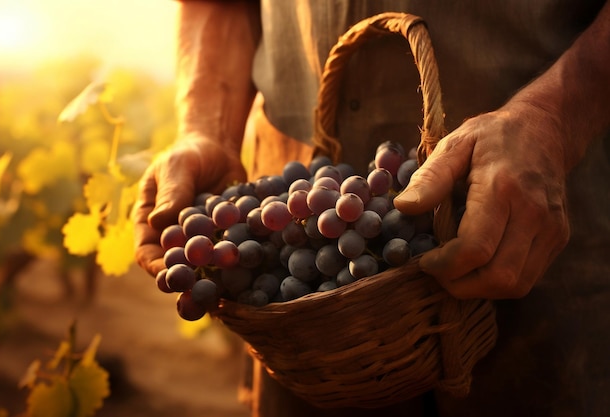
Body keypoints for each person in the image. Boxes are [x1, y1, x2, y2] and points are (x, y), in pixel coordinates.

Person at [133, 1, 610, 416]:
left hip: (533, 202)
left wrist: (554, 118)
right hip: (292, 231)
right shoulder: (276, 237)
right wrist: (208, 128)